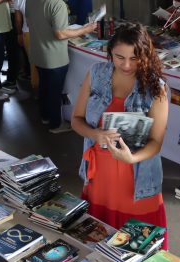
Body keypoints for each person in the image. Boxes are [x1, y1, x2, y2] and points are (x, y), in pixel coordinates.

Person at [70, 23, 169, 235]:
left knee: (137, 244)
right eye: (119, 57)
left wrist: (132, 158)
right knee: (97, 237)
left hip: (136, 177)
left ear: (146, 55)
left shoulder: (155, 87)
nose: (126, 65)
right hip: (100, 175)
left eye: (134, 58)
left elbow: (156, 143)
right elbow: (76, 120)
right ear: (110, 53)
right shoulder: (96, 74)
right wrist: (95, 134)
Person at [26, 0, 96, 133]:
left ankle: (45, 117)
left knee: (44, 87)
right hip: (54, 56)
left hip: (37, 52)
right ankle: (56, 124)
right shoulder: (57, 3)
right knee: (55, 92)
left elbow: (30, 22)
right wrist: (84, 30)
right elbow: (60, 33)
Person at [19, 0, 44, 94]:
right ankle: (40, 91)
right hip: (38, 34)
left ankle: (36, 91)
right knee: (41, 66)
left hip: (26, 34)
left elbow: (19, 18)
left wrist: (19, 34)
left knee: (33, 64)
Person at [2, 0, 26, 90]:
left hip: (13, 14)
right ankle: (23, 72)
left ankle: (11, 80)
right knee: (21, 46)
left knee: (12, 48)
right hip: (23, 14)